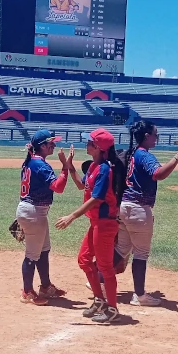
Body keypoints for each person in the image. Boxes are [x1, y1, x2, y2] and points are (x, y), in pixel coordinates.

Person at [55, 128, 125, 324]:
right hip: (96, 223)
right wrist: (69, 166)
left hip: (105, 224)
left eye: (90, 142)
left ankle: (112, 309)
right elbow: (81, 185)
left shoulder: (104, 169)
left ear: (99, 147)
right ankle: (99, 301)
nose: (86, 144)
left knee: (105, 267)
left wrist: (72, 216)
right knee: (84, 260)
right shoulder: (94, 166)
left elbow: (97, 198)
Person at [112, 121, 178, 306]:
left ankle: (98, 279)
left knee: (121, 250)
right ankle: (140, 295)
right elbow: (158, 174)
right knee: (141, 254)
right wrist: (177, 157)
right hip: (138, 208)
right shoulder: (144, 154)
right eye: (154, 134)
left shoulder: (134, 152)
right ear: (146, 136)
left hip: (126, 205)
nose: (156, 137)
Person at [16, 129, 71, 305]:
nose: (54, 145)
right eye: (50, 143)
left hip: (32, 210)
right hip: (33, 212)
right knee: (32, 254)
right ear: (42, 146)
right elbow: (58, 187)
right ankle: (27, 292)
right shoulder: (40, 164)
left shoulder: (31, 162)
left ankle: (46, 286)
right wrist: (65, 167)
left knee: (44, 250)